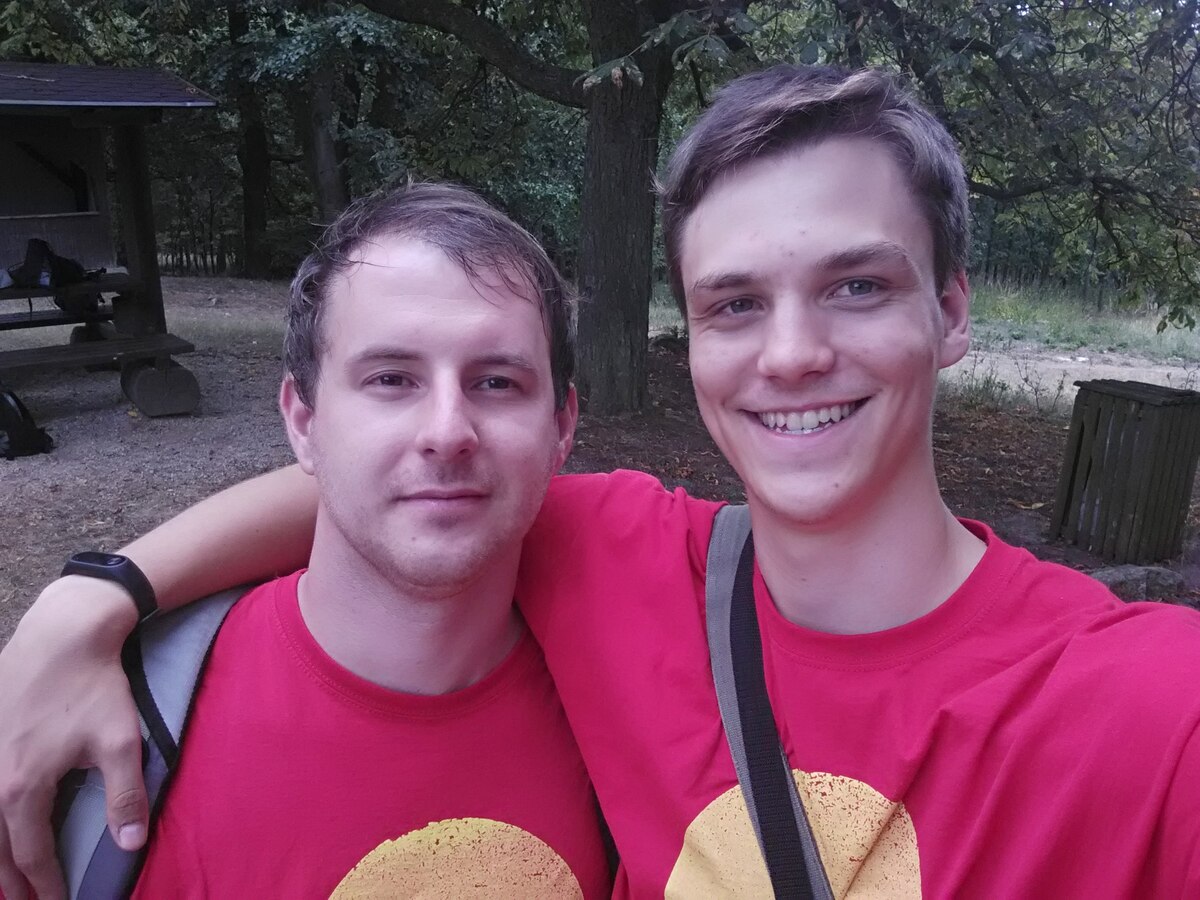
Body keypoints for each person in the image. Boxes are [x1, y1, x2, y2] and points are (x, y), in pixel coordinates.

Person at [4, 64, 1200, 898]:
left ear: (950, 311)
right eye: (736, 304)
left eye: (857, 286)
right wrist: (93, 598)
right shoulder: (633, 565)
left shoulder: (1145, 708)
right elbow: (389, 492)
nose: (791, 353)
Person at [0, 182, 612, 899]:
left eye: (498, 382)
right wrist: (97, 592)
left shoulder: (628, 688)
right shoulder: (103, 730)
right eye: (391, 378)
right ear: (302, 419)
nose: (447, 432)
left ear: (562, 426)